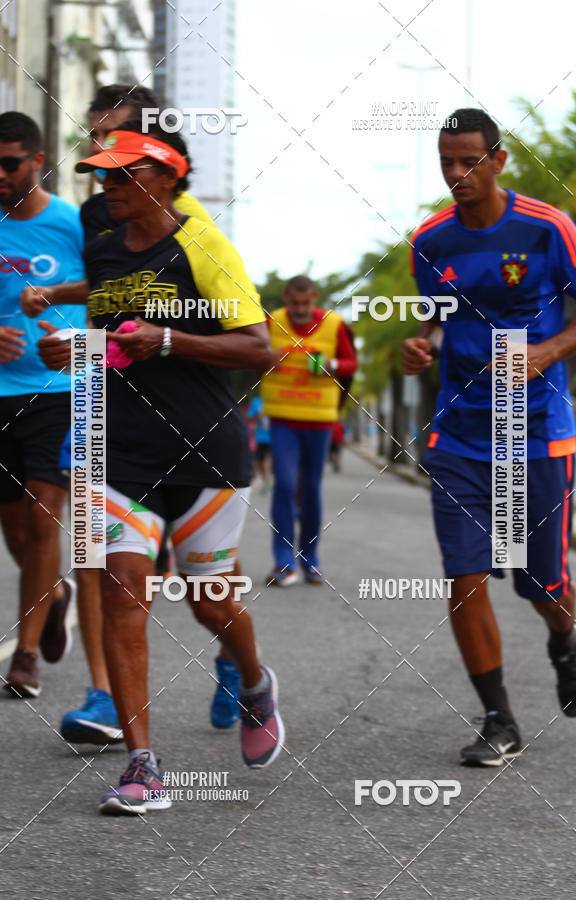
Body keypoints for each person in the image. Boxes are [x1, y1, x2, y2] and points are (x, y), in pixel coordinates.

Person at [39, 120, 284, 814]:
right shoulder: (106, 251)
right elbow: (114, 344)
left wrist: (169, 339)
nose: (106, 186)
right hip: (117, 450)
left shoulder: (203, 245)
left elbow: (260, 348)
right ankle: (142, 764)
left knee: (212, 602)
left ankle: (255, 678)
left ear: (166, 177)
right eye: (102, 175)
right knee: (122, 589)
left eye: (121, 174)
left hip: (207, 450)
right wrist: (74, 348)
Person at [22, 83, 231, 741]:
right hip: (100, 395)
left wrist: (165, 338)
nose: (99, 152)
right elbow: (107, 287)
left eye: (114, 138)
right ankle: (104, 697)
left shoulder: (190, 220)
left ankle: (234, 653)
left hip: (186, 410)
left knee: (207, 577)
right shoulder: (94, 213)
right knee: (94, 543)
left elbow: (232, 327)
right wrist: (67, 322)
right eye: (93, 138)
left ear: (156, 152)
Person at [402, 108, 576, 766]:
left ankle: (565, 640)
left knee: (537, 584)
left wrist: (547, 353)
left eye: (469, 162)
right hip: (458, 436)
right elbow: (437, 317)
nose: (457, 174)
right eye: (446, 163)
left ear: (499, 160)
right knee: (464, 577)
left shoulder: (549, 229)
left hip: (535, 433)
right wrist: (422, 346)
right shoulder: (430, 241)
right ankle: (499, 719)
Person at [0, 112, 87, 698]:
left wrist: (78, 343)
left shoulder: (74, 224)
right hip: (1, 394)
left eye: (9, 164)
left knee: (41, 518)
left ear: (37, 160)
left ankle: (25, 654)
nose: (0, 175)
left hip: (60, 391)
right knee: (16, 532)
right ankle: (53, 595)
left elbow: (111, 293)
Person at [261, 276, 357, 586]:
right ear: (286, 298)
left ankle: (310, 561)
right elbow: (252, 355)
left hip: (320, 420)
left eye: (306, 303)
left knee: (312, 489)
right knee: (286, 486)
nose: (300, 309)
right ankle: (283, 562)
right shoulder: (270, 322)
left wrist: (331, 363)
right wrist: (265, 357)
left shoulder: (334, 324)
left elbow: (351, 364)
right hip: (283, 419)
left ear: (314, 297)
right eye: (294, 303)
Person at [247, 394, 271, 491]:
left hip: (276, 437)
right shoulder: (256, 401)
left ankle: (268, 482)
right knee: (260, 461)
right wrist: (258, 416)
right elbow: (249, 418)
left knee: (269, 461)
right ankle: (266, 480)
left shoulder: (276, 399)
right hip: (260, 438)